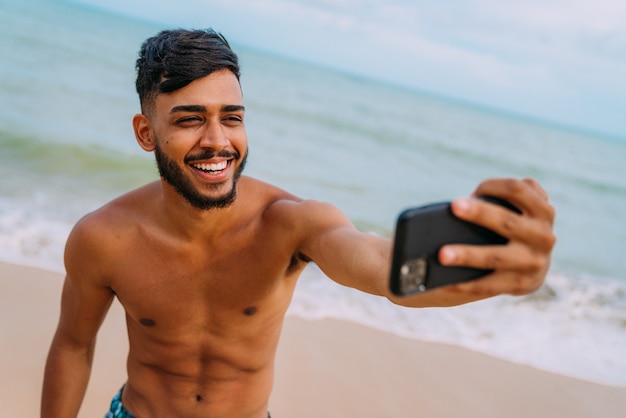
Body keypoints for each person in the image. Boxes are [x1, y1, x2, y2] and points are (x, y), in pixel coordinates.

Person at [41, 29, 556, 418]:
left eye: (233, 117)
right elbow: (72, 344)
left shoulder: (290, 225)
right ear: (146, 132)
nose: (218, 140)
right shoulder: (104, 238)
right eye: (189, 118)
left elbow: (383, 267)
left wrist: (490, 272)